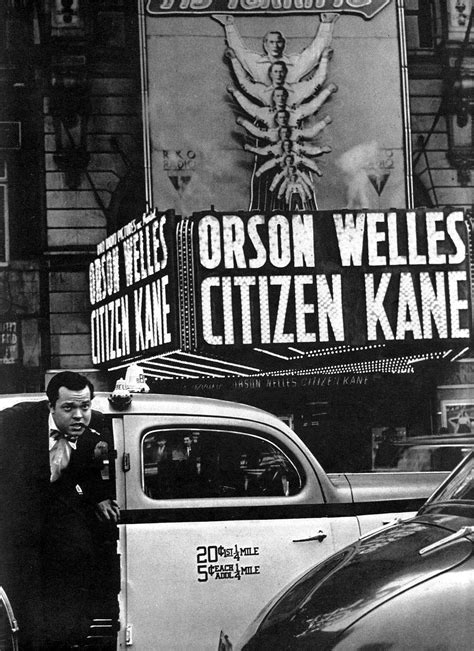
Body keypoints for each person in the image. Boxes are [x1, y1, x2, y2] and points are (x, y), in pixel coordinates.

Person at [0, 371, 119, 649]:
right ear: (50, 406)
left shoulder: (97, 428)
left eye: (85, 406)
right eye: (68, 407)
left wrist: (100, 497)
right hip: (18, 534)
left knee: (68, 620)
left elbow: (97, 467)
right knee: (26, 619)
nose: (79, 415)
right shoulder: (16, 422)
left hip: (59, 538)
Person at [213, 13, 338, 83]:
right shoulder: (256, 63)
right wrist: (228, 25)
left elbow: (315, 52)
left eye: (279, 42)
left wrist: (326, 24)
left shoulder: (294, 64)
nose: (275, 45)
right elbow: (239, 51)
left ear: (284, 44)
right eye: (271, 42)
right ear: (265, 45)